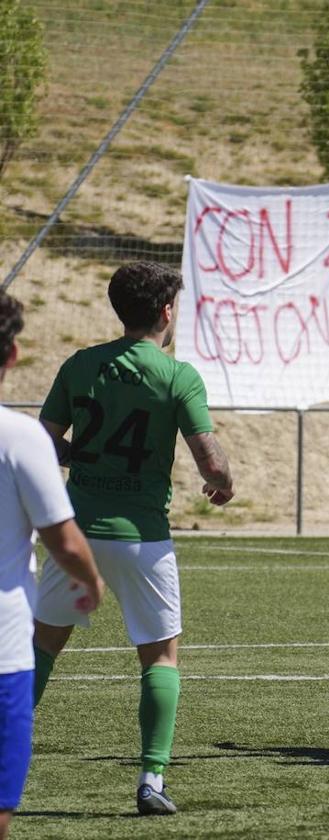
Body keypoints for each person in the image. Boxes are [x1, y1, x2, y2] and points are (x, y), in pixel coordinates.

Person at [33, 262, 236, 816]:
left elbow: (45, 443)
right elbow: (210, 460)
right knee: (160, 658)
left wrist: (81, 455)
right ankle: (151, 779)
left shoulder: (80, 365)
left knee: (42, 648)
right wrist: (223, 483)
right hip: (142, 538)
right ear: (166, 311)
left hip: (73, 534)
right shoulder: (178, 375)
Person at [0, 291, 103, 839]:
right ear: (12, 355)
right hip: (2, 650)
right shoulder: (20, 437)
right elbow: (63, 539)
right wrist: (90, 580)